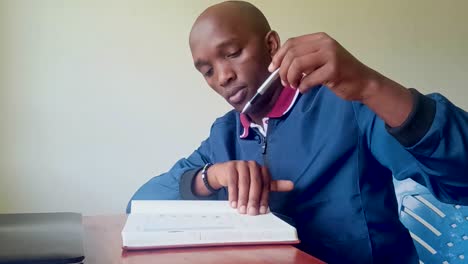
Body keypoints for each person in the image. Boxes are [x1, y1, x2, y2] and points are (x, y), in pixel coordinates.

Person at [127, 1, 468, 263]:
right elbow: (138, 205)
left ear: (272, 46)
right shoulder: (225, 136)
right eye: (206, 71)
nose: (222, 77)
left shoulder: (348, 103)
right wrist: (209, 177)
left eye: (231, 54)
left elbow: (461, 177)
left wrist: (369, 85)